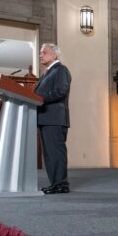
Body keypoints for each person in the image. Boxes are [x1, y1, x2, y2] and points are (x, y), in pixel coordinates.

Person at [35, 43, 72, 194]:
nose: (40, 55)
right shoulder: (47, 73)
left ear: (54, 55)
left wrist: (38, 98)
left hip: (55, 119)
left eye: (44, 52)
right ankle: (55, 184)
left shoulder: (61, 70)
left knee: (56, 153)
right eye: (40, 52)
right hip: (45, 119)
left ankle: (61, 185)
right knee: (49, 155)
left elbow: (60, 91)